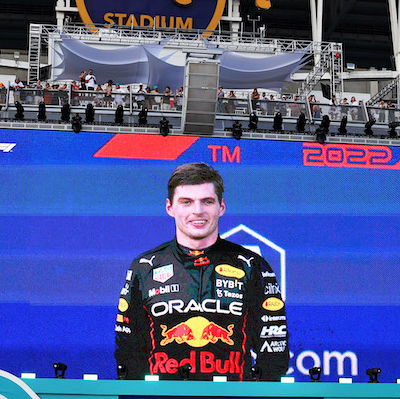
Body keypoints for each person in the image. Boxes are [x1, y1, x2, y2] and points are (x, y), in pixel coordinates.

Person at [115, 162, 290, 381]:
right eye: (186, 202)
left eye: (207, 201)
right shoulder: (145, 267)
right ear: (170, 207)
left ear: (221, 207)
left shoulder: (250, 265)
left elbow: (274, 347)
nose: (197, 211)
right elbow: (128, 349)